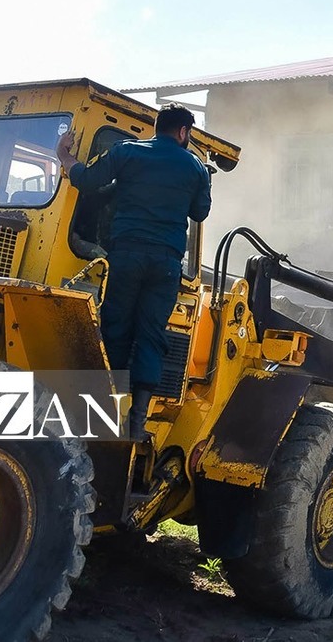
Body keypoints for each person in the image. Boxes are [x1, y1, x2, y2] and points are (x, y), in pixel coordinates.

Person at [56, 104, 211, 439]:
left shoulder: (126, 152)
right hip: (166, 265)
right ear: (184, 132)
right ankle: (137, 423)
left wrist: (64, 156)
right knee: (152, 336)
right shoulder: (196, 167)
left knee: (115, 329)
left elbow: (87, 181)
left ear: (158, 127)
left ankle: (102, 416)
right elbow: (200, 212)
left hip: (126, 256)